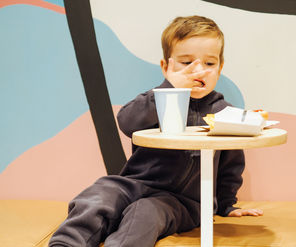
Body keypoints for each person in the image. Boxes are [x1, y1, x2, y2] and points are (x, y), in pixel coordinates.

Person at [49, 15, 263, 247]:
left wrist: (226, 204)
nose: (198, 70)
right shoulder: (155, 101)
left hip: (185, 202)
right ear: (166, 67)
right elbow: (127, 122)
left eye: (209, 64)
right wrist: (169, 89)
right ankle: (66, 244)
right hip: (135, 183)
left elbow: (230, 166)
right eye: (186, 62)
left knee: (145, 213)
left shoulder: (224, 113)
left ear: (220, 68)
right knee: (100, 194)